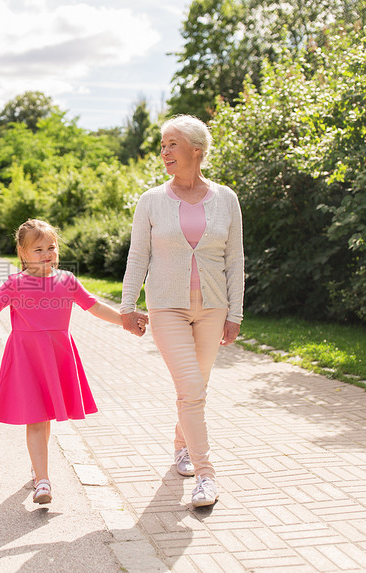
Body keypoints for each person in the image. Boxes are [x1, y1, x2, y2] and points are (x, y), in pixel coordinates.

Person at [0, 219, 147, 504]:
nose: (46, 254)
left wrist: (124, 321)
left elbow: (95, 306)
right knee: (37, 419)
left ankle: (38, 469)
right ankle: (43, 481)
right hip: (27, 358)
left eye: (51, 247)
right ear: (22, 252)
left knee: (45, 417)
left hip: (57, 355)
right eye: (38, 249)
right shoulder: (15, 283)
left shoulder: (67, 280)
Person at [120, 114, 244, 508]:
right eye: (162, 145)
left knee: (194, 391)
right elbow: (138, 255)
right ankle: (206, 476)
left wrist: (234, 313)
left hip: (213, 307)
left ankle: (182, 447)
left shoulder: (226, 198)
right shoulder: (152, 200)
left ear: (197, 150)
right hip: (167, 307)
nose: (164, 151)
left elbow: (235, 260)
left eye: (172, 144)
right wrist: (128, 305)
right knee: (191, 389)